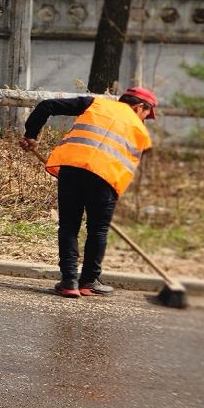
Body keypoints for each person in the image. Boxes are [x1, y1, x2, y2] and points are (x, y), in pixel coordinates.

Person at [20, 87, 157, 299]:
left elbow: (46, 106)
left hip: (71, 170)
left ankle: (69, 283)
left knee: (68, 225)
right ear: (140, 106)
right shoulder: (141, 132)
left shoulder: (95, 103)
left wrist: (30, 135)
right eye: (147, 113)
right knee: (98, 230)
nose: (146, 119)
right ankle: (89, 282)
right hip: (104, 180)